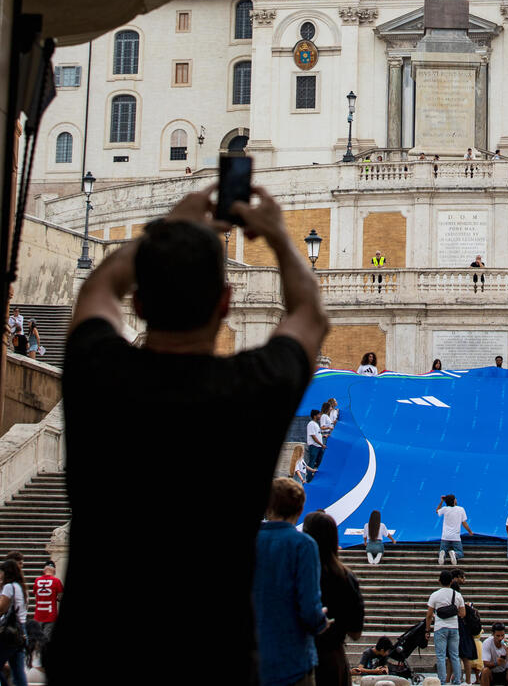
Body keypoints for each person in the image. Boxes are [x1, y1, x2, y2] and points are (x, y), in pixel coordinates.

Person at [45, 184, 328, 686]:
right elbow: (310, 314)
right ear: (226, 302)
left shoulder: (99, 375)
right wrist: (280, 238)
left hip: (93, 657)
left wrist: (168, 227)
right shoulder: (252, 390)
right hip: (212, 660)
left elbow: (95, 291)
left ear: (139, 301)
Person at [254, 477, 327, 686]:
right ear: (300, 507)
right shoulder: (303, 545)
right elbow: (309, 608)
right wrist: (320, 619)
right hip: (292, 659)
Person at [304, 510, 364, 686]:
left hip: (298, 657)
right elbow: (356, 632)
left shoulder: (295, 573)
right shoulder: (345, 577)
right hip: (332, 659)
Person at [426, 568, 466, 685]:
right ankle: (457, 680)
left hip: (440, 628)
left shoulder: (435, 595)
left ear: (439, 581)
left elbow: (429, 615)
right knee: (454, 655)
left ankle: (442, 681)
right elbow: (463, 614)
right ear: (451, 581)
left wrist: (427, 630)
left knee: (441, 656)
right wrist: (453, 612)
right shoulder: (457, 595)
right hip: (454, 627)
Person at [0, 558, 27, 686]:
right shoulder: (19, 586)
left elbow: (1, 608)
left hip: (9, 632)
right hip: (20, 630)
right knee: (18, 670)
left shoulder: (8, 587)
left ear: (6, 572)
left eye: (1, 572)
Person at [32, 559, 62, 650]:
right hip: (51, 614)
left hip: (38, 614)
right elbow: (60, 597)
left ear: (44, 570)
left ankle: (36, 655)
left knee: (38, 637)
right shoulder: (56, 581)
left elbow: (35, 593)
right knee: (46, 637)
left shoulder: (37, 580)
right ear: (54, 570)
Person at [437, 494, 473, 565]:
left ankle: (442, 554)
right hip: (456, 537)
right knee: (460, 553)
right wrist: (470, 531)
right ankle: (455, 554)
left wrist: (441, 501)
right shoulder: (461, 509)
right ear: (454, 501)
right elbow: (464, 523)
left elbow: (437, 510)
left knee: (443, 550)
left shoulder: (445, 509)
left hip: (445, 536)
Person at [306, 408, 326, 476]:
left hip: (319, 447)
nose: (320, 416)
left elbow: (318, 435)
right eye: (319, 415)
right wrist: (321, 444)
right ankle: (308, 478)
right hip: (314, 447)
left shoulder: (316, 424)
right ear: (315, 416)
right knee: (312, 463)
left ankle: (315, 477)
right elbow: (314, 437)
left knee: (319, 463)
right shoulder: (311, 424)